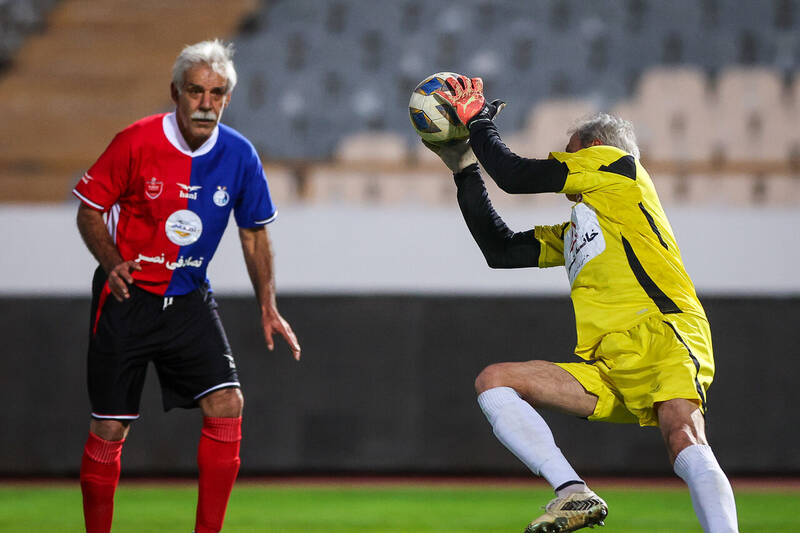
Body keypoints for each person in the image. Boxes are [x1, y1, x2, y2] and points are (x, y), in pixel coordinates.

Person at [425, 75, 739, 533]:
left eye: (569, 151)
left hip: (663, 332)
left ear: (593, 148)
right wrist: (463, 167)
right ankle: (573, 493)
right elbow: (501, 250)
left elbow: (515, 176)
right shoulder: (579, 228)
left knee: (682, 434)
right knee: (494, 382)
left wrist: (478, 123)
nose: (564, 161)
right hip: (608, 364)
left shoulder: (619, 166)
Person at [73, 39, 301, 533]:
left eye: (216, 93)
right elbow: (89, 211)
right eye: (196, 91)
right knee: (109, 427)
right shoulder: (135, 141)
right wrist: (111, 262)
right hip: (127, 296)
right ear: (176, 92)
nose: (205, 103)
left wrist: (268, 305)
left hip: (189, 298)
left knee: (228, 403)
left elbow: (253, 232)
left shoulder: (239, 155)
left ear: (227, 99)